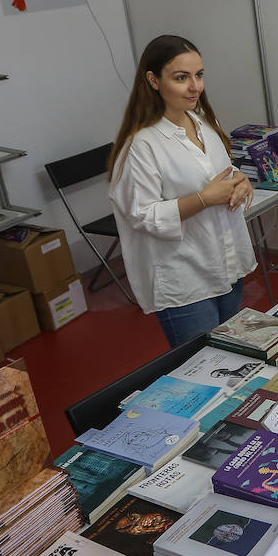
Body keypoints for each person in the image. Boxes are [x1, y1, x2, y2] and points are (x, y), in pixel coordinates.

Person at [108, 34, 256, 348]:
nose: (195, 87)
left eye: (199, 75)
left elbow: (218, 174)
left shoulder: (204, 122)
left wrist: (240, 181)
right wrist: (203, 199)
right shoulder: (141, 144)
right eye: (181, 78)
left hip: (227, 261)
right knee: (204, 366)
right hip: (185, 279)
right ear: (153, 80)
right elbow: (143, 215)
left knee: (234, 358)